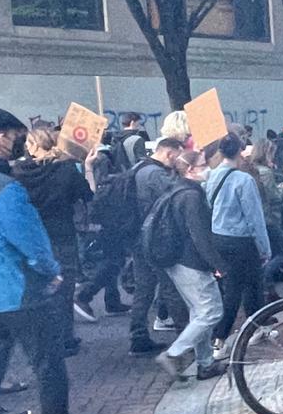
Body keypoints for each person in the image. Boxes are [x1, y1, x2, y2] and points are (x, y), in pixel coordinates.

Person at [0, 107, 112, 414]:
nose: (19, 140)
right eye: (15, 134)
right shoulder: (2, 187)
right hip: (20, 292)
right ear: (1, 137)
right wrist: (51, 272)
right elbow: (31, 241)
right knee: (49, 366)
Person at [11, 125, 95, 357]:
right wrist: (87, 167)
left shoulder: (18, 172)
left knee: (36, 289)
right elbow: (87, 195)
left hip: (33, 236)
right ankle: (65, 339)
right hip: (62, 235)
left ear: (31, 145)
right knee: (64, 290)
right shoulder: (66, 169)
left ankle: (42, 339)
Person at [154, 151, 229, 381]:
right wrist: (217, 263)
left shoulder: (176, 190)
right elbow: (200, 235)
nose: (207, 168)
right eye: (203, 165)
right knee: (211, 311)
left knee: (199, 312)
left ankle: (205, 363)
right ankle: (174, 353)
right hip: (191, 262)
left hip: (177, 261)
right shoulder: (191, 196)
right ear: (190, 170)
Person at [204, 133, 271, 360]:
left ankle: (254, 328)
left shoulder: (210, 177)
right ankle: (221, 338)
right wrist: (264, 247)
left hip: (218, 237)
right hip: (241, 240)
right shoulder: (244, 180)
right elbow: (255, 217)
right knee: (247, 287)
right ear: (240, 152)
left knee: (236, 286)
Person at [130, 137, 187, 354]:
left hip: (138, 237)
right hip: (154, 239)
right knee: (169, 286)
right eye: (177, 155)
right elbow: (176, 195)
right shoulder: (156, 174)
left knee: (143, 287)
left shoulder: (139, 167)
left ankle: (138, 336)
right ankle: (186, 337)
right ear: (170, 153)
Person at [73, 132, 131, 321]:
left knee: (110, 258)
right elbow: (98, 189)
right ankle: (85, 294)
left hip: (94, 216)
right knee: (112, 261)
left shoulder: (82, 159)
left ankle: (111, 300)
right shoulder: (101, 159)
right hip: (105, 215)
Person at [248, 139, 283, 305]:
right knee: (282, 251)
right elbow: (274, 196)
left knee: (265, 254)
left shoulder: (250, 170)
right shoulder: (266, 172)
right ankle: (265, 279)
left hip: (258, 219)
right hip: (270, 218)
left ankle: (270, 290)